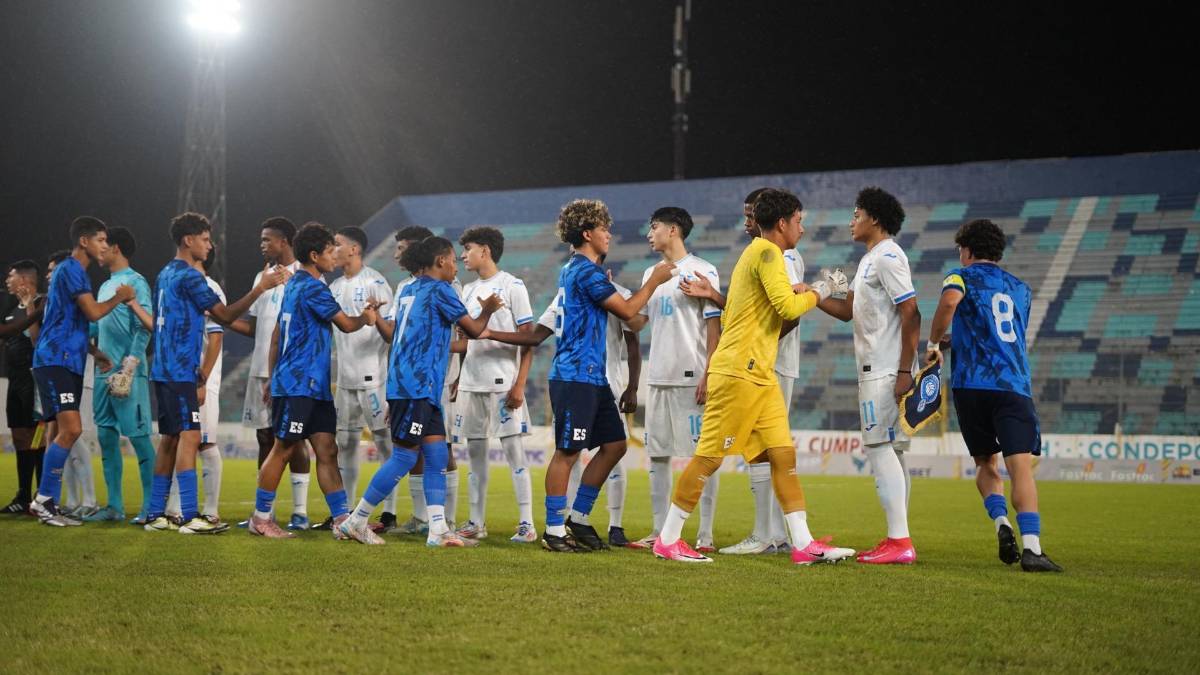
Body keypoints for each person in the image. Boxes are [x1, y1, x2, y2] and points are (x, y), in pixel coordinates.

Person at [651, 188, 854, 565]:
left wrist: (801, 291)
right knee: (709, 456)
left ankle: (803, 543)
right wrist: (823, 287)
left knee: (782, 455)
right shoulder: (766, 252)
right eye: (799, 221)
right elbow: (787, 307)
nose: (803, 229)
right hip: (740, 372)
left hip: (757, 372)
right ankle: (668, 538)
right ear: (782, 223)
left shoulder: (761, 255)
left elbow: (748, 313)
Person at [337, 236, 498, 547]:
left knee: (437, 454)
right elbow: (476, 330)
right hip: (416, 385)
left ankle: (437, 530)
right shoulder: (440, 290)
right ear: (440, 261)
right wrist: (488, 309)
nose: (455, 266)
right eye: (453, 259)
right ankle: (356, 520)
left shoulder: (410, 289)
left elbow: (397, 336)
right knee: (404, 457)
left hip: (417, 386)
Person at [537, 199, 673, 552]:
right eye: (603, 228)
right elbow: (629, 311)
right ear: (587, 233)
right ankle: (553, 530)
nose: (609, 234)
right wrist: (656, 280)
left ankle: (578, 519)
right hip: (574, 375)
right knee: (567, 453)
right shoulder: (584, 270)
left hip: (592, 376)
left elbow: (630, 318)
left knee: (614, 445)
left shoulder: (582, 271)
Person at [927, 218, 1062, 572]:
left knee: (986, 463)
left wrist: (934, 343)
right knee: (1020, 468)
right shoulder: (1021, 289)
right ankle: (1032, 548)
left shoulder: (959, 276)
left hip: (971, 385)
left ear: (967, 251)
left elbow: (948, 303)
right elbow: (1005, 334)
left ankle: (1002, 524)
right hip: (1012, 385)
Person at [678, 187, 807, 555]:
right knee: (766, 450)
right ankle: (777, 534)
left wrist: (759, 345)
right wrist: (714, 296)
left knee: (761, 450)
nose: (747, 221)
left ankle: (767, 535)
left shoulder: (782, 255)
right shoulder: (762, 253)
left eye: (751, 214)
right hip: (758, 362)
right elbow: (749, 309)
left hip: (767, 364)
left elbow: (786, 314)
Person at [142, 212, 285, 535]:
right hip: (180, 369)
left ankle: (155, 514)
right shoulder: (191, 277)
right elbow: (224, 315)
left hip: (162, 367)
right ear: (188, 240)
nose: (210, 245)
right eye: (205, 239)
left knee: (169, 439)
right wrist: (260, 288)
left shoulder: (164, 274)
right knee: (191, 437)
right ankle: (191, 516)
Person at [248, 223, 377, 539]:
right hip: (298, 384)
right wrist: (367, 317)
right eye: (331, 250)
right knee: (285, 447)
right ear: (315, 254)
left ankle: (342, 519)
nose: (335, 255)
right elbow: (346, 325)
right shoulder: (313, 288)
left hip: (312, 386)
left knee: (326, 448)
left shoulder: (294, 285)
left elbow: (278, 334)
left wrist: (273, 375)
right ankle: (260, 518)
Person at [813, 187, 919, 564]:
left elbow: (912, 311)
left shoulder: (888, 256)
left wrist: (906, 370)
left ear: (874, 218)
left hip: (887, 368)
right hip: (879, 367)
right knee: (893, 452)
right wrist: (812, 294)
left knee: (878, 449)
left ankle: (900, 542)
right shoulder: (871, 259)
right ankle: (897, 537)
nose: (851, 221)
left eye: (856, 214)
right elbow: (847, 312)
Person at [28, 217, 135, 527]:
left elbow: (69, 321)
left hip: (65, 359)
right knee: (72, 429)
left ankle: (47, 501)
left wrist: (95, 352)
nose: (105, 246)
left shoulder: (71, 273)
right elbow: (92, 312)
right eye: (101, 240)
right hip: (57, 360)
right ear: (85, 242)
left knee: (55, 432)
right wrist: (121, 296)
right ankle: (44, 499)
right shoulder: (73, 269)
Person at [631, 206, 723, 552]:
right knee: (657, 455)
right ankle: (659, 531)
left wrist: (709, 373)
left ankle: (706, 534)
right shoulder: (649, 274)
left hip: (691, 378)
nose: (649, 233)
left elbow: (714, 327)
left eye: (654, 227)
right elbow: (638, 321)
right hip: (657, 377)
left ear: (673, 230)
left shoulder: (703, 271)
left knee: (702, 456)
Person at [452, 226, 538, 543]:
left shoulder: (513, 286)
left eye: (468, 249)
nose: (463, 255)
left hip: (503, 383)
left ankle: (527, 524)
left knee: (514, 453)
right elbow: (469, 342)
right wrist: (459, 377)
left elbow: (529, 339)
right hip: (472, 384)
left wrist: (520, 384)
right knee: (474, 457)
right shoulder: (467, 291)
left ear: (485, 251)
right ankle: (476, 522)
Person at [228, 217, 309, 530]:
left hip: (289, 372)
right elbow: (253, 327)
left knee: (294, 439)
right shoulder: (260, 277)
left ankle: (300, 512)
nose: (262, 245)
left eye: (267, 240)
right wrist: (221, 317)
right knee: (264, 437)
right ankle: (266, 511)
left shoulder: (305, 276)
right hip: (260, 368)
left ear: (284, 241)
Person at [85, 227, 157, 523]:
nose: (99, 250)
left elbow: (144, 327)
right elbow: (96, 325)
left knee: (139, 438)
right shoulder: (104, 286)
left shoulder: (136, 282)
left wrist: (130, 365)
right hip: (103, 373)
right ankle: (114, 505)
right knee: (105, 435)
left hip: (129, 373)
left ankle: (151, 506)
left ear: (115, 248)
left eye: (103, 244)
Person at [326, 226, 395, 527]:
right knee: (346, 444)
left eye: (338, 245)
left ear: (354, 249)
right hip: (344, 379)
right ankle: (346, 510)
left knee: (385, 444)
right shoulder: (334, 286)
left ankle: (389, 513)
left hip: (372, 379)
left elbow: (391, 331)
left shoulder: (376, 283)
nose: (334, 249)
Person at [1, 260, 45, 514]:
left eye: (11, 275)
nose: (7, 280)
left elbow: (36, 338)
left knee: (37, 437)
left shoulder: (41, 303)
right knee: (19, 436)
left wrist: (29, 305)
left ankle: (40, 495)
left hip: (33, 380)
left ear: (25, 280)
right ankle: (22, 495)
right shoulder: (9, 308)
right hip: (14, 380)